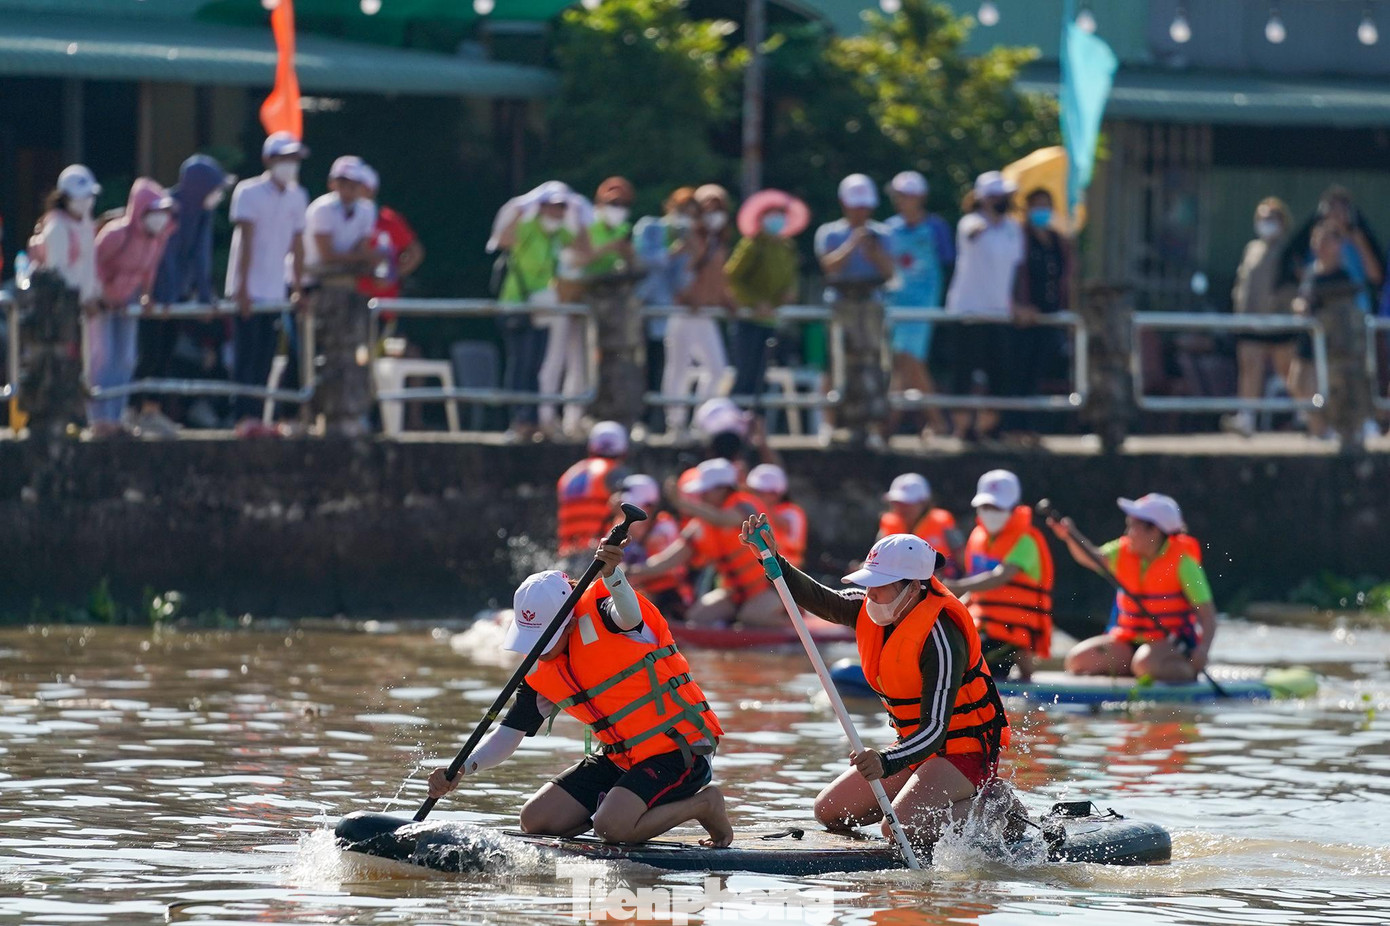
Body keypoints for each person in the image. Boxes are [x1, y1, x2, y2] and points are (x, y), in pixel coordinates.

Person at [737, 520, 1017, 853]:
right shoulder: (874, 608)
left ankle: (998, 808)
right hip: (916, 750)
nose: (870, 593)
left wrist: (885, 761)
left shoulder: (941, 638)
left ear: (913, 588)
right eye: (869, 584)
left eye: (880, 586)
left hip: (964, 753)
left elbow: (935, 729)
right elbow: (822, 600)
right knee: (829, 812)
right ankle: (924, 798)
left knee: (898, 829)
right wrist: (773, 560)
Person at [427, 545, 732, 848]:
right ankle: (615, 805)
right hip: (621, 758)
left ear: (570, 622)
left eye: (544, 639)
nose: (538, 650)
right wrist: (463, 767)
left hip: (679, 752)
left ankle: (704, 805)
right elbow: (507, 735)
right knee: (535, 820)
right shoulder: (541, 671)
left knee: (612, 828)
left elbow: (628, 612)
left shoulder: (608, 617)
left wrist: (613, 576)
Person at [1053, 494, 1216, 684]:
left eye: (1133, 526)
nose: (1127, 531)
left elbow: (1207, 615)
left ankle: (1185, 671)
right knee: (1077, 660)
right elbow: (1091, 557)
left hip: (1172, 644)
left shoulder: (1185, 563)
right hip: (1129, 641)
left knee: (1144, 664)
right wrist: (1070, 535)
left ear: (1154, 531)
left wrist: (1202, 650)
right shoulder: (1123, 551)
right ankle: (1137, 673)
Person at [139, 155, 235, 437]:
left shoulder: (202, 213)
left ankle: (152, 411)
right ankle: (135, 410)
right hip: (154, 295)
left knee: (166, 352)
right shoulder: (166, 208)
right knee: (150, 352)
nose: (217, 195)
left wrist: (206, 298)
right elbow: (162, 255)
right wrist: (165, 296)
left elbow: (200, 257)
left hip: (176, 297)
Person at [627, 458, 782, 627]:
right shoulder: (700, 525)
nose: (700, 496)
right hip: (735, 594)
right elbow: (668, 560)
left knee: (751, 616)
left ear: (723, 489)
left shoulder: (745, 506)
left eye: (705, 491)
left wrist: (683, 503)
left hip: (773, 587)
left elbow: (722, 519)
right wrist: (631, 571)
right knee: (696, 618)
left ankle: (797, 626)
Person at [226, 132, 309, 428]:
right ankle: (242, 419)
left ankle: (258, 418)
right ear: (268, 160)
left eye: (294, 159)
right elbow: (246, 243)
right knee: (246, 357)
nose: (290, 165)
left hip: (276, 291)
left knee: (265, 358)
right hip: (248, 290)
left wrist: (297, 289)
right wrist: (242, 289)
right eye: (284, 158)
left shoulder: (298, 196)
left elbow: (297, 246)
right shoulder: (248, 192)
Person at [496, 182, 586, 441]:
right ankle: (518, 421)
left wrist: (577, 215)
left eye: (562, 208)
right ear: (542, 206)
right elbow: (503, 239)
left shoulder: (557, 235)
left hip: (544, 308)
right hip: (517, 304)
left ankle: (532, 421)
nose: (558, 213)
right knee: (520, 364)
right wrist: (521, 208)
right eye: (554, 207)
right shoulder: (529, 227)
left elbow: (583, 249)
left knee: (536, 365)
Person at [942, 470, 1053, 681]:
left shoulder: (1026, 540)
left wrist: (955, 586)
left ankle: (1021, 655)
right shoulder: (978, 536)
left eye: (997, 507)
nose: (990, 512)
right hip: (982, 625)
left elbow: (1001, 577)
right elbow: (974, 588)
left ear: (1013, 507)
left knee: (969, 661)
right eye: (986, 506)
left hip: (1012, 628)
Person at [91, 179, 179, 435]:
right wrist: (99, 294)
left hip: (127, 301)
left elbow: (148, 270)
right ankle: (100, 419)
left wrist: (146, 296)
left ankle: (117, 418)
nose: (161, 218)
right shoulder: (116, 234)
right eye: (155, 211)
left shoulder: (157, 239)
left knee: (127, 359)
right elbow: (94, 264)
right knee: (103, 358)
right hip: (101, 303)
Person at [814, 174, 896, 446]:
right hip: (840, 305)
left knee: (875, 364)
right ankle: (829, 424)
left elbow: (890, 273)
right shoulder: (830, 232)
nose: (861, 211)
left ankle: (873, 427)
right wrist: (852, 244)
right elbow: (828, 267)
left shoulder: (882, 234)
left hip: (871, 305)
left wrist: (873, 252)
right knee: (835, 363)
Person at [944, 172, 1025, 442]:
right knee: (964, 374)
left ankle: (991, 427)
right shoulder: (971, 223)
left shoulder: (1014, 228)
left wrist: (1015, 304)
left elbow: (1014, 271)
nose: (1004, 200)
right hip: (968, 311)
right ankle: (963, 428)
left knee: (1000, 375)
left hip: (999, 314)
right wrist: (987, 217)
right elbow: (972, 233)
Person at [883, 171, 955, 438]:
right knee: (900, 364)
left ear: (921, 197)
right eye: (900, 195)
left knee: (908, 359)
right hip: (894, 304)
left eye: (909, 195)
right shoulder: (888, 228)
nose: (904, 201)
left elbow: (947, 264)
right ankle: (889, 423)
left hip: (923, 305)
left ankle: (935, 421)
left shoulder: (936, 228)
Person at [661, 184, 734, 437]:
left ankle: (701, 420)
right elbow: (671, 271)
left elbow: (719, 280)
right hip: (684, 312)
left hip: (705, 314)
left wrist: (729, 301)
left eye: (719, 208)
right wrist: (683, 295)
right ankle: (676, 423)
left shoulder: (717, 242)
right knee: (678, 369)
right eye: (708, 208)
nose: (714, 213)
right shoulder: (686, 236)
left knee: (718, 370)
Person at [1224, 198, 1297, 438]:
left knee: (1288, 370)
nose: (1266, 223)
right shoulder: (1251, 249)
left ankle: (1307, 411)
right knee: (1249, 367)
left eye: (1272, 218)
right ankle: (1246, 417)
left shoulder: (1289, 250)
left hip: (1278, 321)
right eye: (1262, 217)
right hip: (1250, 322)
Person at [726, 189, 808, 400]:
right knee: (746, 376)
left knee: (761, 378)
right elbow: (732, 277)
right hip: (749, 320)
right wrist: (754, 302)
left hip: (771, 321)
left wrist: (790, 292)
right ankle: (735, 423)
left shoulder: (786, 247)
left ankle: (755, 425)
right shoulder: (751, 244)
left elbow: (791, 277)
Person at [1007, 188, 1071, 438]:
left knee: (1038, 373)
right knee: (1019, 371)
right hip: (1023, 317)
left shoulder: (1059, 241)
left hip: (1050, 316)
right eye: (1037, 206)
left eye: (1046, 206)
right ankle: (1013, 426)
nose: (1042, 211)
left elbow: (1065, 278)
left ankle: (1030, 427)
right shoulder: (1019, 237)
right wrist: (1018, 305)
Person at [633, 188, 699, 419]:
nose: (684, 218)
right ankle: (639, 419)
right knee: (638, 367)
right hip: (641, 308)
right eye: (681, 211)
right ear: (669, 207)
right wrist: (672, 253)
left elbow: (680, 282)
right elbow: (642, 262)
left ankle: (655, 419)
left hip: (666, 315)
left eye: (690, 214)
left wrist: (692, 259)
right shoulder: (649, 227)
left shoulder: (687, 237)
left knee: (661, 367)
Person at [615, 474, 692, 619]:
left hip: (668, 595)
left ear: (650, 506)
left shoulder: (663, 528)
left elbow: (666, 566)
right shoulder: (620, 525)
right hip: (633, 594)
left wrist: (629, 571)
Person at [556, 421, 631, 565]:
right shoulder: (616, 472)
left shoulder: (570, 474)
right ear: (624, 451)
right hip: (596, 552)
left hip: (566, 553)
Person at [30, 164, 102, 312]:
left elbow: (89, 264)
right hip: (61, 305)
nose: (86, 201)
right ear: (65, 198)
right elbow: (57, 270)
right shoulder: (57, 226)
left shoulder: (86, 224)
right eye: (80, 196)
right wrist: (81, 299)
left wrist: (91, 296)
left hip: (83, 306)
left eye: (88, 196)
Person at [356, 164, 425, 303]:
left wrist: (393, 275)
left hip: (383, 303)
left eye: (357, 186)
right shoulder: (339, 218)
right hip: (347, 301)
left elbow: (415, 252)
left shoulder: (388, 220)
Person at [303, 155, 377, 284]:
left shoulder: (368, 210)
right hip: (309, 281)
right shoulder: (321, 208)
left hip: (344, 280)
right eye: (342, 182)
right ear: (332, 183)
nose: (348, 187)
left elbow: (361, 247)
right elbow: (327, 256)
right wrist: (368, 257)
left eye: (354, 183)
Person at [876, 473, 963, 579]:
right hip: (898, 585)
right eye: (897, 503)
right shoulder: (888, 524)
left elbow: (962, 559)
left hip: (941, 584)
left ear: (924, 502)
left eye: (907, 503)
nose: (901, 508)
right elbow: (876, 561)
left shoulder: (943, 522)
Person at [745, 463, 806, 569]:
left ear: (775, 493)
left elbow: (778, 522)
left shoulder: (791, 512)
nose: (754, 495)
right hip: (762, 570)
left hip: (785, 572)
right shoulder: (754, 508)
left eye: (759, 492)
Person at [585, 176, 637, 277]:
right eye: (614, 203)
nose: (619, 208)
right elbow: (576, 259)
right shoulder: (586, 223)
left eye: (625, 204)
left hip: (607, 280)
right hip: (580, 282)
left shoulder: (624, 229)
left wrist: (629, 255)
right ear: (600, 202)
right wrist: (607, 248)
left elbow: (632, 263)